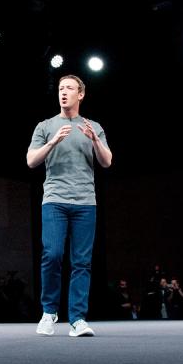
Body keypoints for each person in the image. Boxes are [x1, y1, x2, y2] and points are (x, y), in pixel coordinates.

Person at [27, 74, 112, 337]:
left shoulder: (93, 126)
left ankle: (77, 319)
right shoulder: (45, 126)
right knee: (51, 255)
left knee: (82, 262)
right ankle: (48, 313)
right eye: (61, 88)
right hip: (54, 200)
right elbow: (31, 161)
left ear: (81, 94)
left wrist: (95, 140)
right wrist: (53, 142)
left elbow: (107, 161)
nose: (63, 92)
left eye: (69, 89)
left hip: (86, 201)